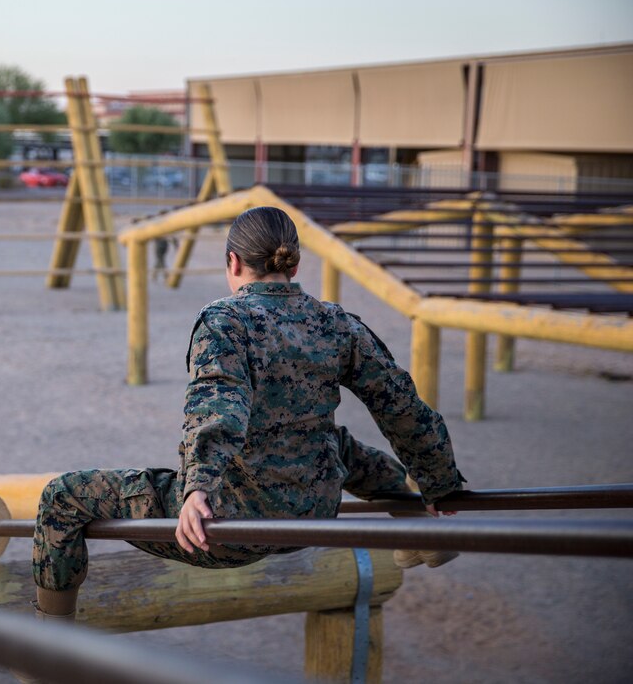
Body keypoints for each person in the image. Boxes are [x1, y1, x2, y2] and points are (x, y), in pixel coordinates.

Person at [28, 206, 465, 626]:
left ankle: (50, 634)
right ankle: (418, 524)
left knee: (62, 497)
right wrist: (439, 482)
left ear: (233, 261)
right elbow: (401, 404)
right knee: (334, 443)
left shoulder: (225, 321)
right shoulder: (335, 322)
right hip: (315, 514)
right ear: (293, 265)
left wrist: (197, 489)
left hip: (234, 524)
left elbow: (218, 404)